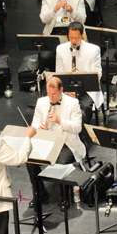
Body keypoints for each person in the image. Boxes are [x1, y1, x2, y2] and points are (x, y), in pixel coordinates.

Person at [27, 76, 86, 208]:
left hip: (67, 142)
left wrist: (60, 121)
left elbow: (77, 127)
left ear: (61, 90)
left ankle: (65, 197)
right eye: (49, 94)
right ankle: (39, 193)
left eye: (54, 94)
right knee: (30, 160)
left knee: (61, 163)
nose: (51, 98)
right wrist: (39, 127)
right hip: (48, 140)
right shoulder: (42, 101)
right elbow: (35, 122)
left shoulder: (73, 103)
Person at [55, 22, 104, 122]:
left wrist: (85, 74)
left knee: (85, 107)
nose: (73, 41)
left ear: (82, 35)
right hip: (67, 89)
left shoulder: (94, 49)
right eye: (71, 37)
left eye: (76, 38)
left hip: (87, 90)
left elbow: (98, 73)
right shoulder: (60, 49)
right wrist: (67, 89)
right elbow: (59, 73)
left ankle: (82, 133)